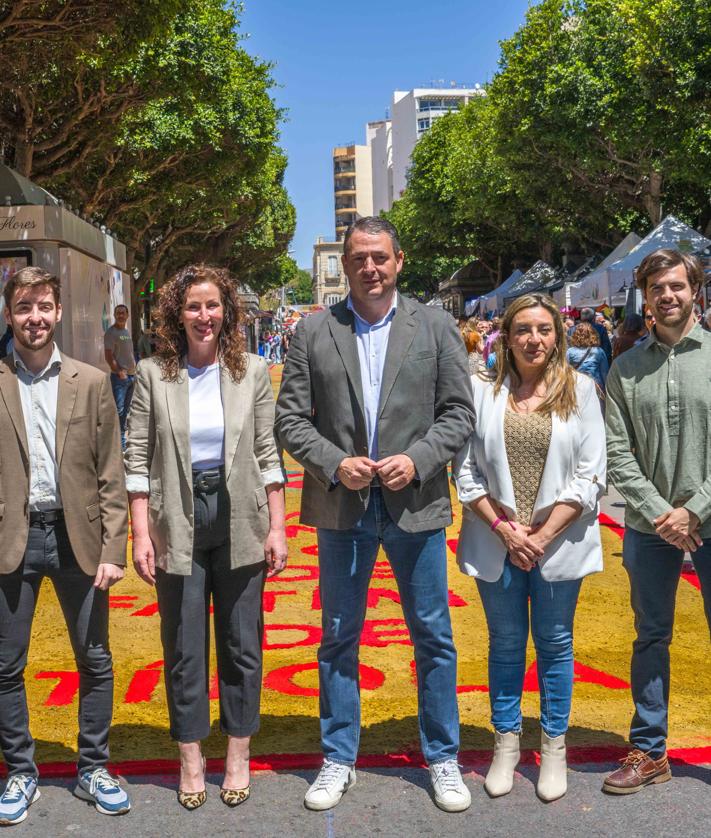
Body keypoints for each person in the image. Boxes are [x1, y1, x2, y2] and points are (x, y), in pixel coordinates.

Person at [275, 217, 475, 814]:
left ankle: (442, 756)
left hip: (416, 503)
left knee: (433, 636)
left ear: (398, 260)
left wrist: (417, 461)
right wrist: (335, 464)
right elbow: (290, 420)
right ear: (345, 264)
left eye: (379, 257)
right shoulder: (312, 331)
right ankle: (339, 757)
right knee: (339, 636)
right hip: (343, 507)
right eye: (358, 257)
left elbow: (458, 414)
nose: (369, 268)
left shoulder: (436, 327)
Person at [125, 264, 287, 811]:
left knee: (243, 645)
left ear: (228, 312)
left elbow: (269, 454)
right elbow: (138, 460)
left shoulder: (253, 372)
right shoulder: (152, 374)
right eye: (193, 306)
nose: (204, 316)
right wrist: (142, 531)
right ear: (178, 314)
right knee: (184, 647)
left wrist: (279, 525)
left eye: (213, 305)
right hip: (178, 518)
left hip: (241, 518)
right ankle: (191, 757)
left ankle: (237, 754)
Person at [453, 293, 606, 803]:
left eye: (543, 329)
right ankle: (506, 743)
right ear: (506, 336)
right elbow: (467, 472)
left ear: (557, 335)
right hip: (497, 542)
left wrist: (538, 538)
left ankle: (554, 746)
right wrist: (505, 531)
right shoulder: (482, 392)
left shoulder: (581, 390)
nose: (533, 339)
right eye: (523, 329)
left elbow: (590, 477)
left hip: (556, 544)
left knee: (556, 644)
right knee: (505, 644)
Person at [0, 267, 130, 825]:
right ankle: (21, 773)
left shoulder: (91, 381)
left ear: (57, 311)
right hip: (13, 538)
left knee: (95, 660)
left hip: (79, 538)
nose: (35, 317)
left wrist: (113, 548)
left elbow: (112, 472)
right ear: (9, 314)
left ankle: (92, 767)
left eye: (44, 306)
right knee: (6, 666)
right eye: (24, 307)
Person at [603, 249, 711, 794]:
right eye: (656, 289)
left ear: (695, 290)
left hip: (708, 519)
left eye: (676, 286)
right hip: (650, 529)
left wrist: (695, 509)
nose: (667, 296)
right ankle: (649, 750)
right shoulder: (625, 367)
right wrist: (660, 513)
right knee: (650, 637)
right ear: (644, 297)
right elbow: (617, 454)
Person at [103, 304, 136, 449]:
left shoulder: (125, 332)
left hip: (131, 377)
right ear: (115, 315)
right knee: (119, 411)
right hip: (120, 378)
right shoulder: (111, 333)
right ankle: (117, 444)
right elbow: (108, 356)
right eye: (118, 313)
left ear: (128, 315)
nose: (121, 315)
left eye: (123, 313)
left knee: (126, 411)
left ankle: (121, 441)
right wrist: (119, 372)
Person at [566, 322, 609, 393]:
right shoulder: (599, 351)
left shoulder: (570, 351)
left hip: (576, 386)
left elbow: (566, 371)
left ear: (575, 335)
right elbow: (604, 373)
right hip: (595, 386)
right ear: (593, 335)